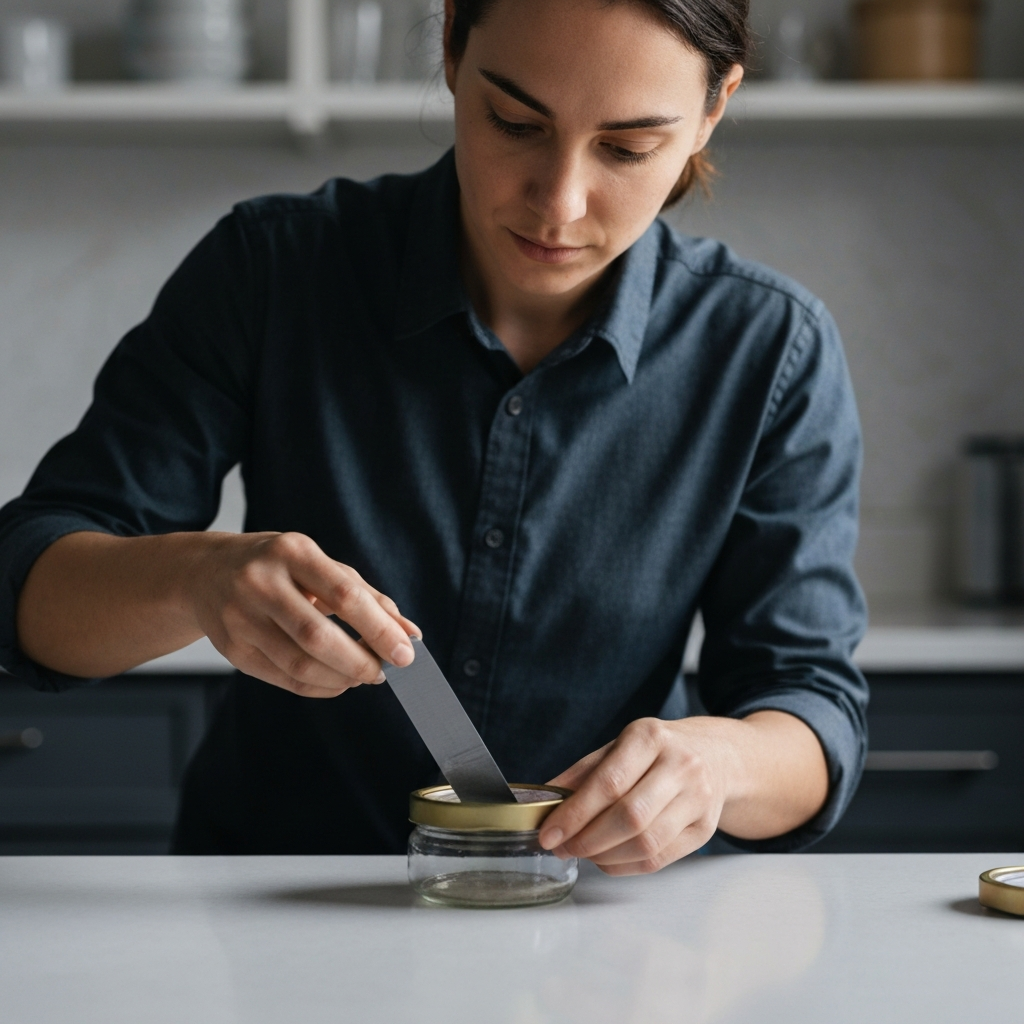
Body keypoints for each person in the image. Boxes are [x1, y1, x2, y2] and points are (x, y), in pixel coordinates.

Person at [0, 0, 868, 871]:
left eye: (627, 147)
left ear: (713, 109)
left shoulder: (771, 349)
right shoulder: (271, 270)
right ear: (451, 45)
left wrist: (719, 764)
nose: (560, 202)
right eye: (515, 122)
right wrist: (196, 580)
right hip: (275, 912)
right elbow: (27, 588)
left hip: (601, 937)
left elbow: (810, 706)